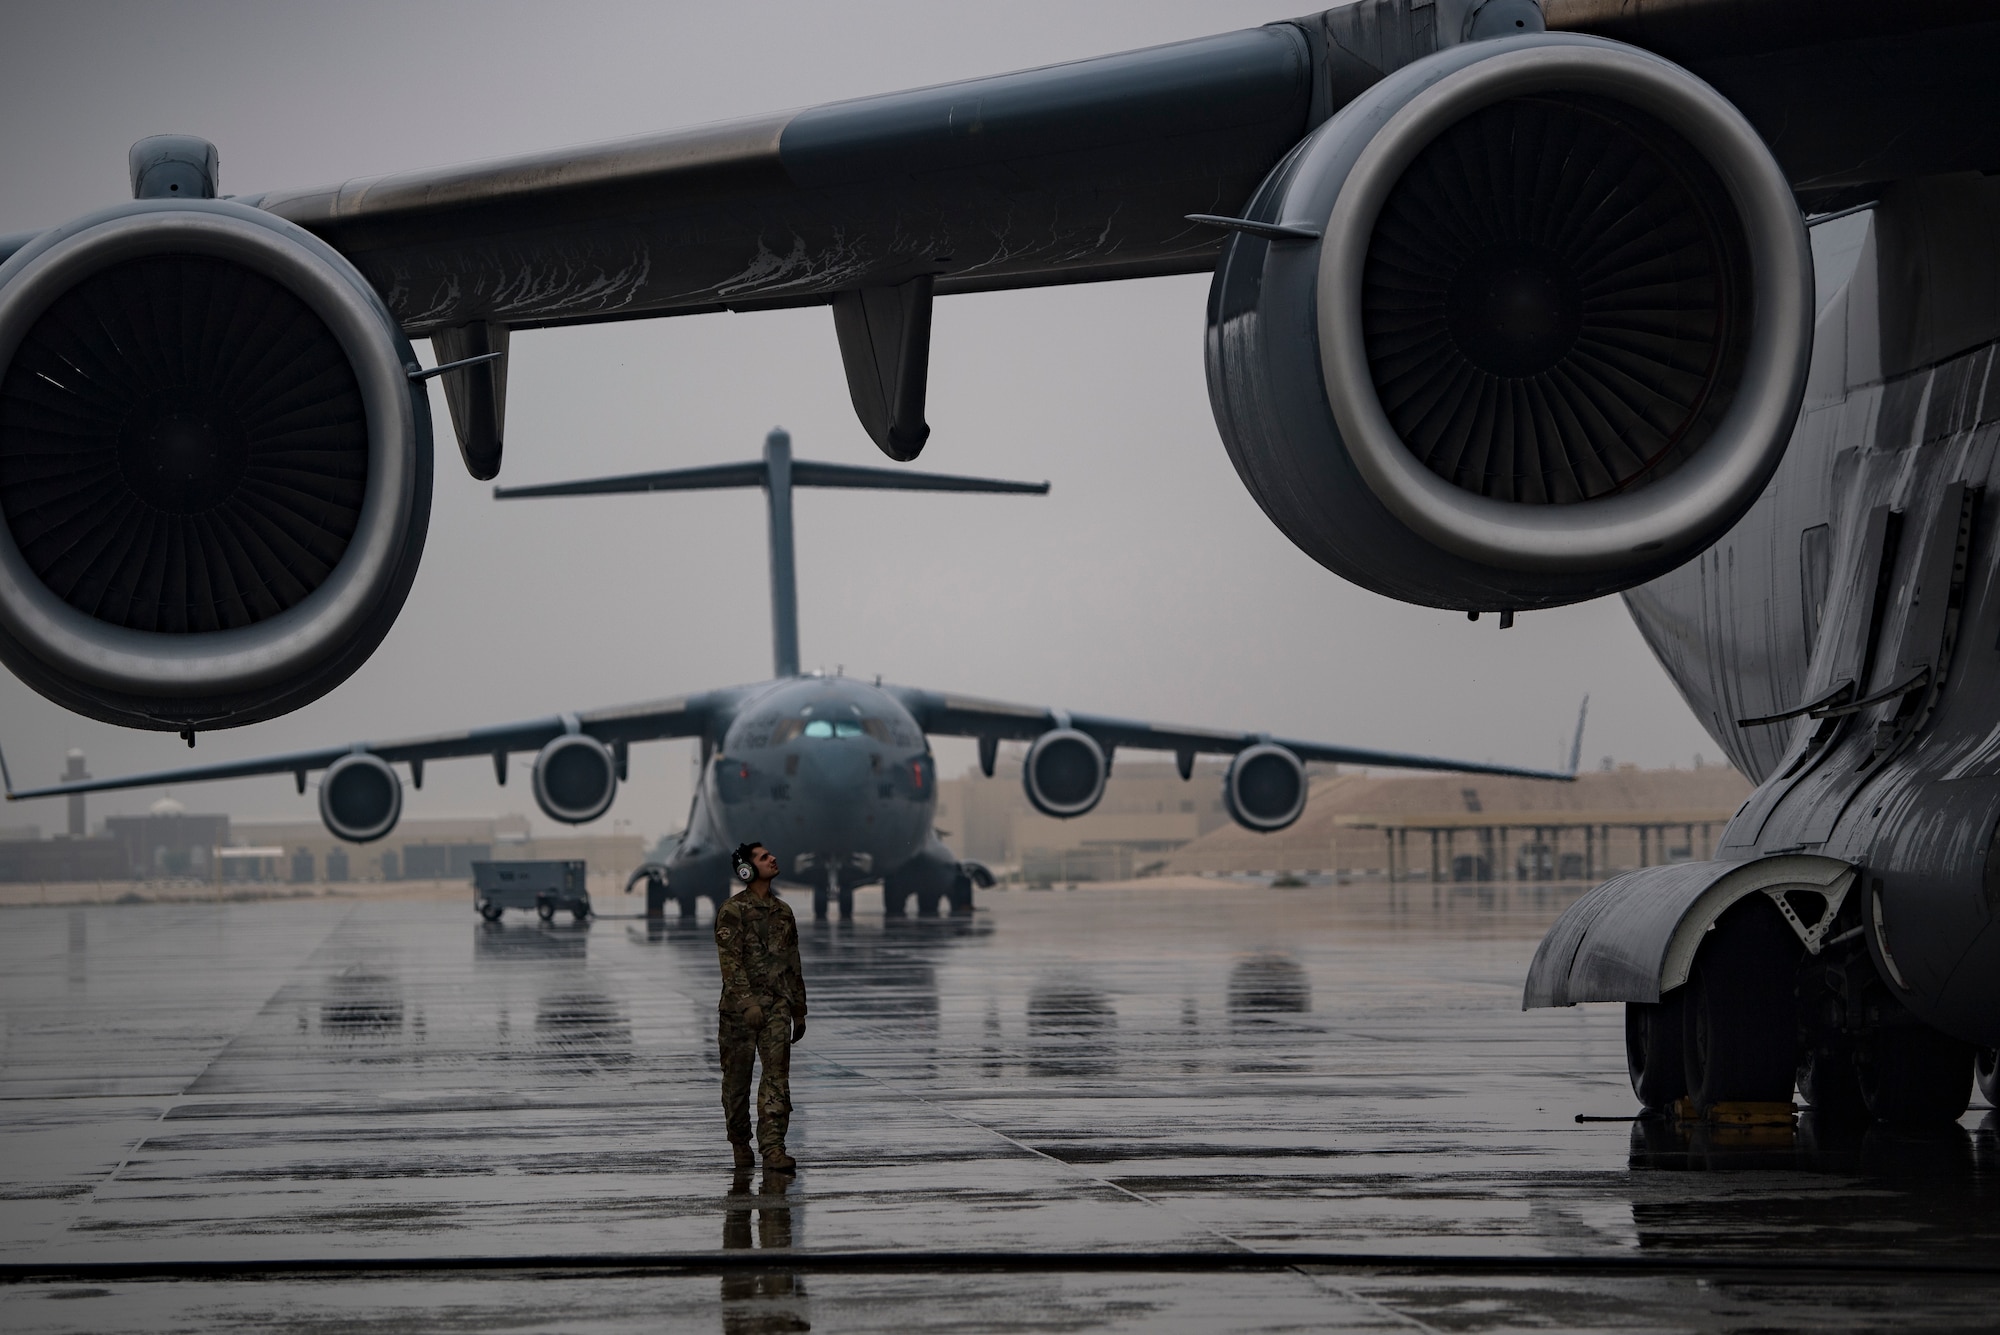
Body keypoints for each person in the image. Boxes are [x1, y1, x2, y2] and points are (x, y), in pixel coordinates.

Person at [715, 842, 808, 1172]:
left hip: (777, 1010)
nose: (772, 858)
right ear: (747, 869)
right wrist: (746, 1003)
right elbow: (731, 963)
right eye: (763, 857)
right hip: (738, 1015)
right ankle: (740, 1143)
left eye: (771, 854)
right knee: (736, 1086)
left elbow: (792, 963)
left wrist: (799, 1009)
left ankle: (773, 1150)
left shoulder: (783, 912)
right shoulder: (732, 911)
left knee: (776, 1081)